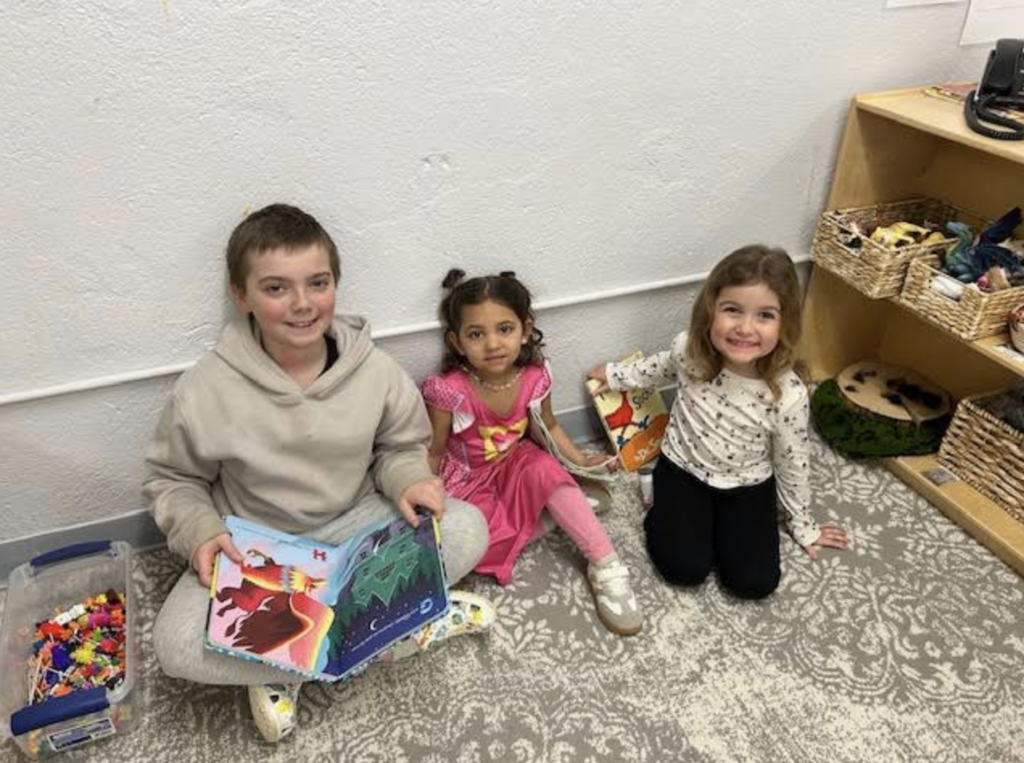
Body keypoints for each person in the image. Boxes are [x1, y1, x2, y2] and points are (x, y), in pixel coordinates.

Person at [144, 204, 493, 744]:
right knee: (176, 643)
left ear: (336, 284)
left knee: (468, 527)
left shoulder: (373, 368)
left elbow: (400, 445)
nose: (303, 304)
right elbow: (172, 479)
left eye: (318, 283)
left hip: (357, 522)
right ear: (242, 297)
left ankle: (297, 652)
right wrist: (200, 532)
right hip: (260, 547)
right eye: (277, 288)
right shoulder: (203, 390)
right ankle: (391, 632)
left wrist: (408, 480)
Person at [589, 245, 850, 599]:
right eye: (732, 310)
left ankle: (704, 521)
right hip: (682, 469)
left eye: (765, 315)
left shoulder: (788, 395)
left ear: (785, 322)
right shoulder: (689, 351)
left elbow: (793, 462)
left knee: (755, 583)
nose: (745, 328)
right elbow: (657, 366)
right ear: (710, 311)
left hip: (748, 484)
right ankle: (659, 502)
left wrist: (804, 526)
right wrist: (615, 375)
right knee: (683, 569)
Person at [421, 269, 642, 636]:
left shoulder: (535, 376)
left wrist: (580, 462)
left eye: (504, 329)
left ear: (525, 330)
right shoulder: (448, 391)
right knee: (472, 547)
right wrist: (426, 496)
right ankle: (556, 514)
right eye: (476, 334)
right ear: (457, 342)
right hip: (468, 479)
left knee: (544, 467)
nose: (493, 344)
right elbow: (435, 449)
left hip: (515, 462)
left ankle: (605, 562)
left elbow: (550, 428)